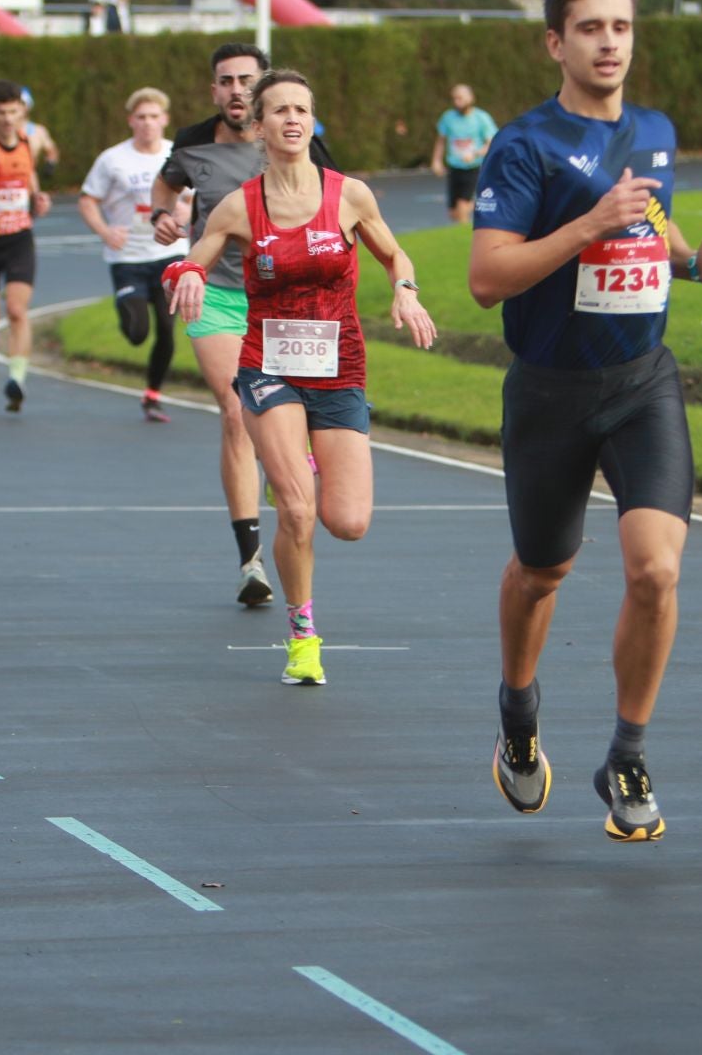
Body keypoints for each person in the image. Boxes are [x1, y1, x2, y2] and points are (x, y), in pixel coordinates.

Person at [467, 0, 702, 842]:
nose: (609, 42)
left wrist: (693, 264)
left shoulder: (655, 131)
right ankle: (518, 713)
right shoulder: (525, 145)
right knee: (542, 571)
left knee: (657, 568)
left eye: (621, 27)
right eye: (590, 28)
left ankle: (627, 752)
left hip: (641, 382)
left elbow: (647, 229)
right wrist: (587, 222)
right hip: (550, 390)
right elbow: (485, 278)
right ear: (557, 42)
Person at [167, 69, 437, 686]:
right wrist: (185, 276)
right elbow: (196, 258)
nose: (292, 120)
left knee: (348, 522)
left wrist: (405, 288)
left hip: (339, 366)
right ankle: (302, 635)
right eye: (279, 111)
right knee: (296, 510)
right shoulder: (241, 205)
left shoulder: (350, 195)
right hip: (268, 367)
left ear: (313, 122)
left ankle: (295, 463)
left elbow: (395, 253)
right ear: (257, 127)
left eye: (302, 110)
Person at [151, 42, 339, 608]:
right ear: (214, 90)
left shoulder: (298, 141)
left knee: (282, 412)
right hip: (216, 296)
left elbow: (332, 209)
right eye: (225, 80)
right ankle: (250, 557)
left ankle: (291, 462)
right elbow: (167, 184)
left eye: (246, 81)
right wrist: (163, 214)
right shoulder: (192, 142)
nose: (235, 89)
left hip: (281, 301)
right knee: (236, 408)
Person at [79, 86, 182, 422]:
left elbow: (196, 198)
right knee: (137, 333)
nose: (148, 123)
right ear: (131, 121)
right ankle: (126, 306)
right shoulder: (113, 159)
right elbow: (87, 199)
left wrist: (187, 214)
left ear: (165, 120)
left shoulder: (177, 155)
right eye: (141, 117)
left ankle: (153, 395)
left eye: (154, 117)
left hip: (169, 253)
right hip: (128, 258)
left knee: (166, 329)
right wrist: (105, 231)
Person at [0, 80, 51, 411]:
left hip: (19, 237)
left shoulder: (28, 141)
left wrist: (38, 197)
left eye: (13, 112)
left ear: (22, 112)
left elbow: (29, 176)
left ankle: (16, 379)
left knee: (18, 310)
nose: (7, 119)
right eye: (1, 113)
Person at [432, 84, 497, 224]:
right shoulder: (448, 118)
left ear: (471, 98)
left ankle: (467, 238)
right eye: (454, 98)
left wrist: (474, 154)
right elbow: (441, 140)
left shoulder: (481, 118)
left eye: (460, 98)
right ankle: (480, 206)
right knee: (453, 212)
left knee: (462, 207)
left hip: (473, 168)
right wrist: (436, 161)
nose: (457, 102)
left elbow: (491, 142)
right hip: (454, 168)